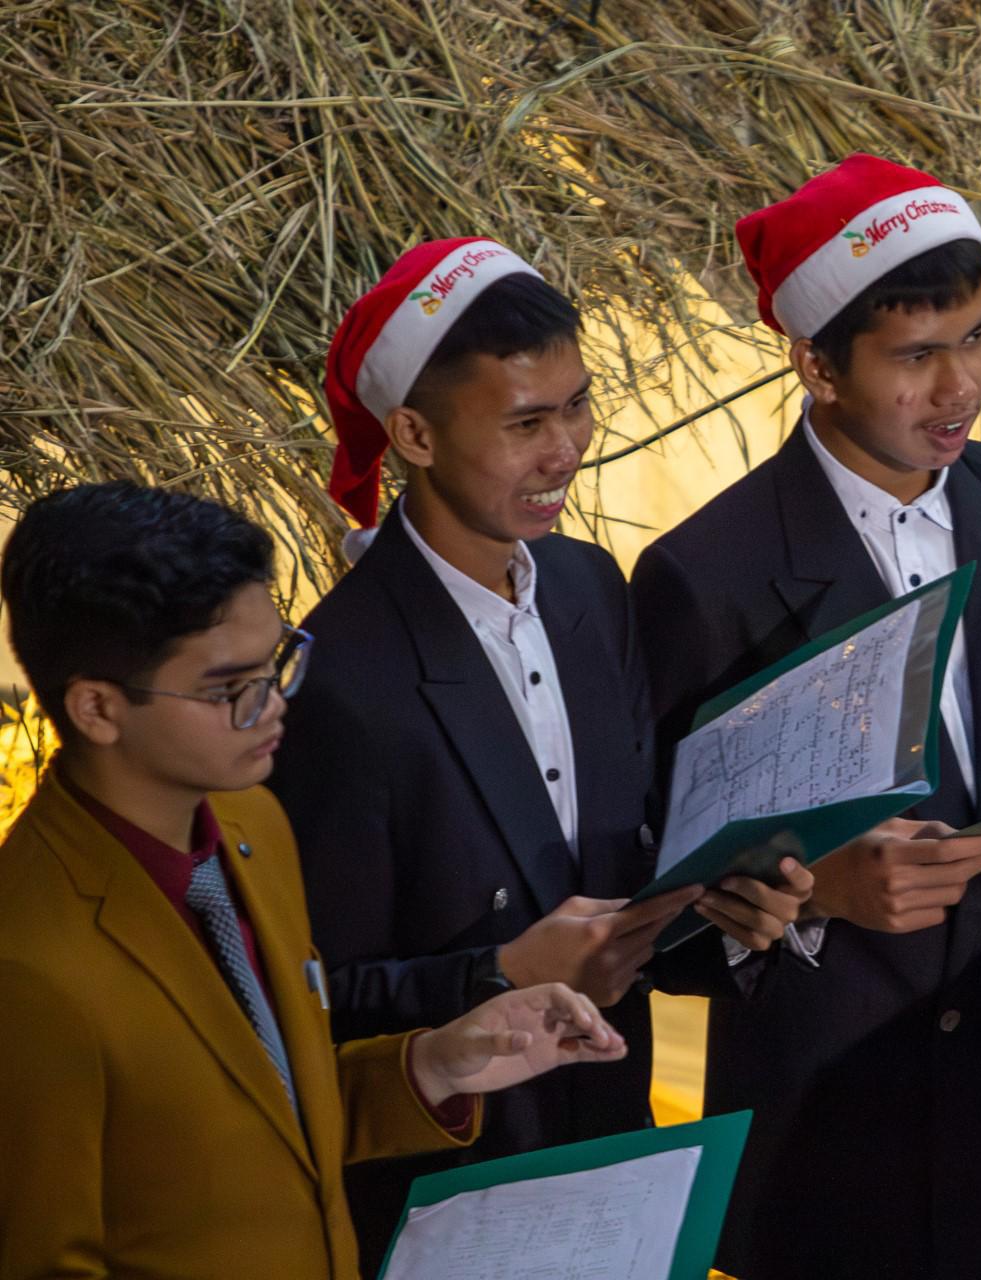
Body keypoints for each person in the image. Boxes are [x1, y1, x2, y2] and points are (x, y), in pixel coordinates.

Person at [267, 238, 813, 1268]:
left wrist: (732, 915)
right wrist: (503, 970)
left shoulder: (589, 588)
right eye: (525, 423)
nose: (565, 451)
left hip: (611, 1153)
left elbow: (627, 871)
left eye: (578, 406)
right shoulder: (338, 680)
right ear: (414, 432)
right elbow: (314, 1000)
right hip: (453, 1194)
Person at [627, 154, 981, 1280]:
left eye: (978, 337)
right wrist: (819, 894)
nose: (961, 386)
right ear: (817, 363)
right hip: (832, 1138)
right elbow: (652, 907)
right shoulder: (706, 575)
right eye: (915, 356)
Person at [0, 482, 630, 1279]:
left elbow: (272, 1115)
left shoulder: (253, 825)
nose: (273, 707)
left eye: (278, 663)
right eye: (230, 690)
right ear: (97, 708)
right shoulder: (29, 968)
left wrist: (434, 1063)